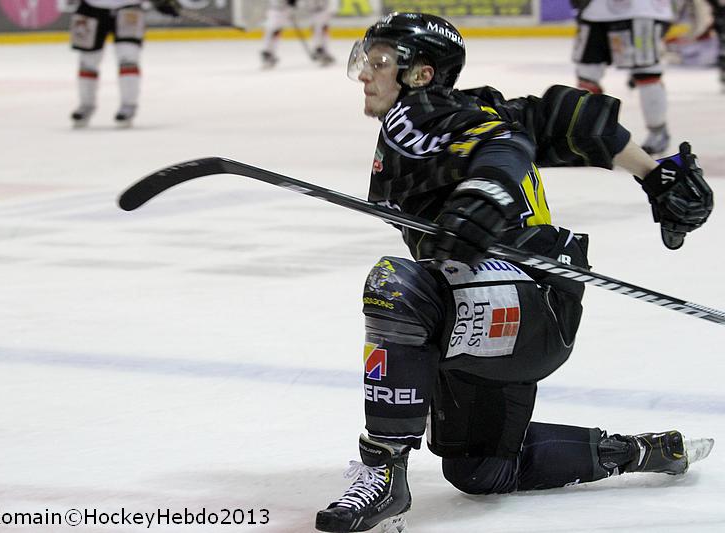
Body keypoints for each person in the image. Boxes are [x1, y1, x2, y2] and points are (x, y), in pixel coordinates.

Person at [314, 12, 715, 533]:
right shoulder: (476, 108)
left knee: (398, 286)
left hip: (524, 297)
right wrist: (655, 175)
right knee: (481, 470)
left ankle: (383, 469)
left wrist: (483, 199)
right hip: (522, 312)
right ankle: (638, 452)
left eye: (381, 63)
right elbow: (571, 115)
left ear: (421, 74)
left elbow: (503, 150)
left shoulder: (415, 118)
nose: (366, 75)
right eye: (364, 62)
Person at [572, 0, 675, 154]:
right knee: (587, 75)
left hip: (641, 10)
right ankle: (589, 135)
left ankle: (658, 131)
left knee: (646, 73)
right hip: (595, 11)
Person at [67, 0, 180, 128]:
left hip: (130, 8)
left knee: (128, 58)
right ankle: (86, 105)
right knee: (87, 61)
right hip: (89, 9)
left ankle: (128, 104)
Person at [260, 0, 335, 68]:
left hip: (317, 8)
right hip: (278, 8)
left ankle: (321, 49)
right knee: (274, 29)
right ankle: (267, 52)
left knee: (321, 27)